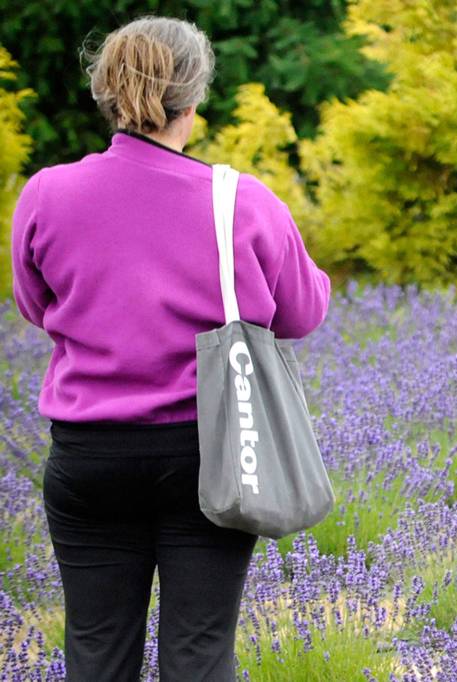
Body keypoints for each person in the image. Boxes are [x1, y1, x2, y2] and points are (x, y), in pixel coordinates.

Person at [10, 17, 331, 682]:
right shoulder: (242, 201)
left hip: (88, 454)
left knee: (95, 652)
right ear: (195, 97)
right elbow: (303, 313)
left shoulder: (46, 193)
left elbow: (38, 308)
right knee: (200, 652)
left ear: (106, 92)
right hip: (211, 452)